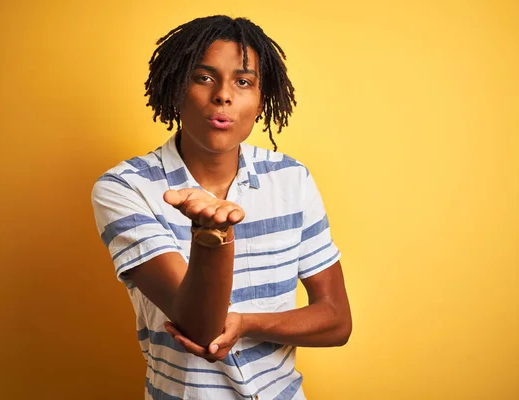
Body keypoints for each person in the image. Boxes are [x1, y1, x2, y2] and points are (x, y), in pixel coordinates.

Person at [91, 15, 352, 400]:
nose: (224, 95)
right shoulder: (125, 187)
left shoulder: (292, 180)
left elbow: (336, 322)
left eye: (243, 82)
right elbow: (200, 326)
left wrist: (246, 323)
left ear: (262, 100)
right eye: (204, 77)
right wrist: (212, 235)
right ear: (177, 87)